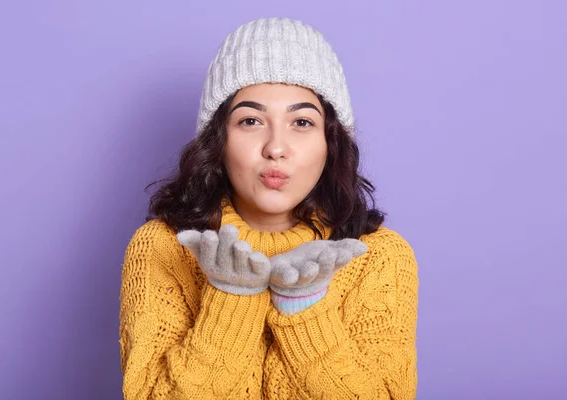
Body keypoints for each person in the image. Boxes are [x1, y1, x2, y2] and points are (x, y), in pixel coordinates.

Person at [119, 17, 419, 399]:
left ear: (331, 142)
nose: (276, 147)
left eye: (302, 122)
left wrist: (305, 309)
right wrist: (231, 298)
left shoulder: (379, 257)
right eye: (250, 120)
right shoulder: (162, 248)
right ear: (218, 140)